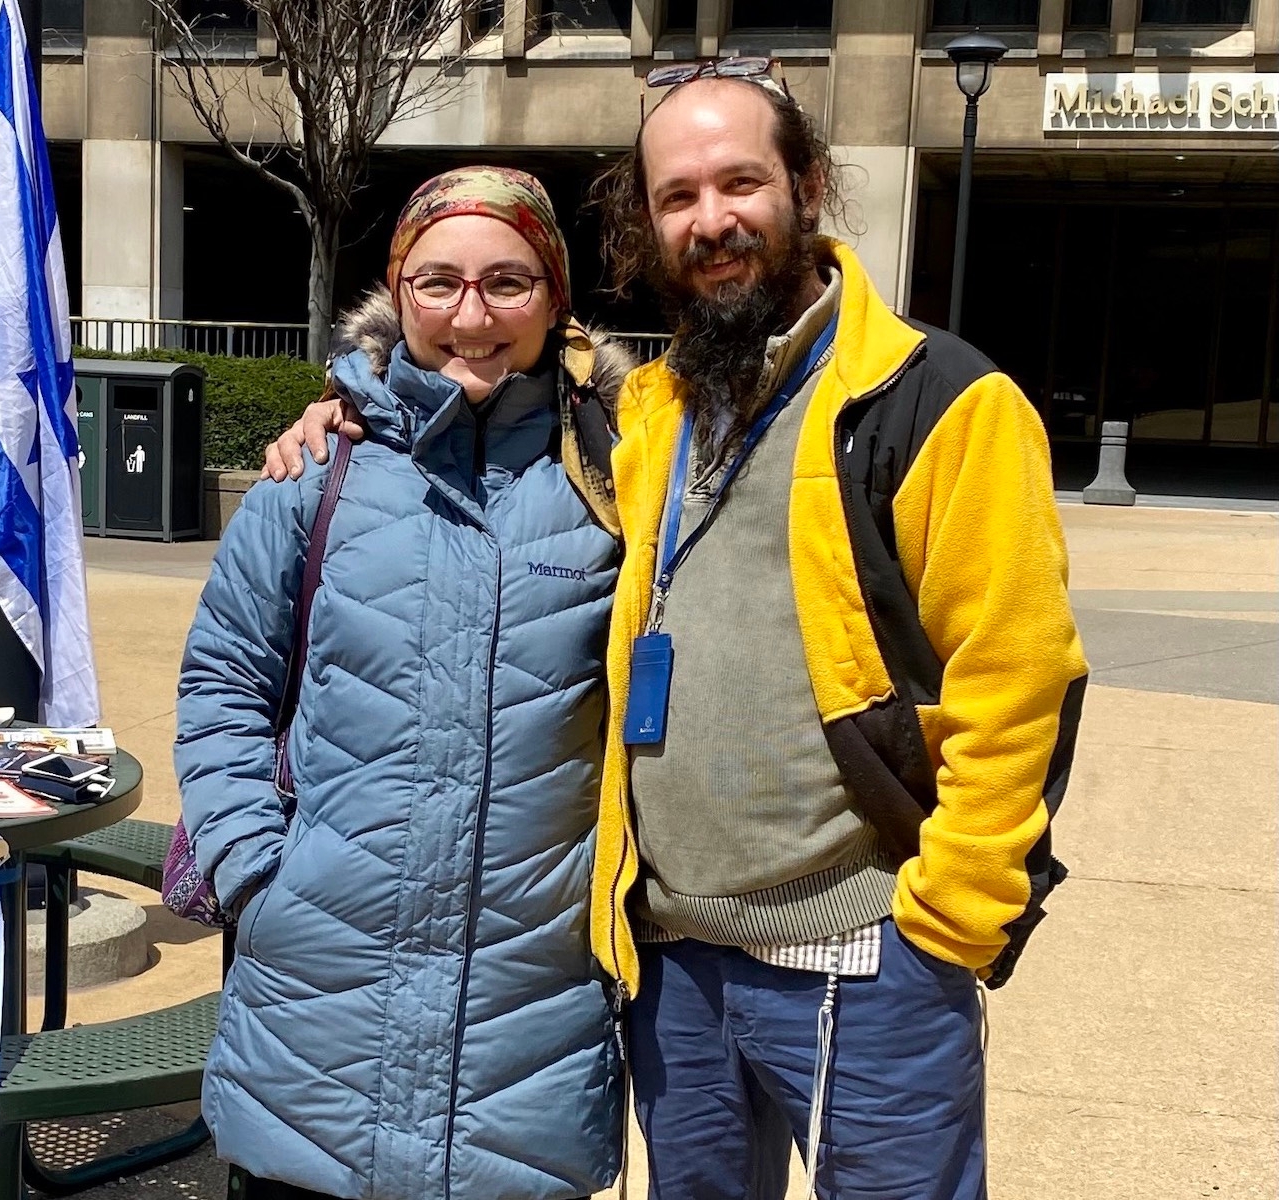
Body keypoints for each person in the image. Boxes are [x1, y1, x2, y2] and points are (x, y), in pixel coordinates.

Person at [261, 72, 1087, 1199]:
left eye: (740, 181)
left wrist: (951, 919)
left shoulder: (940, 400)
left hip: (868, 958)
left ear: (805, 184)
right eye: (677, 196)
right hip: (676, 967)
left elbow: (1021, 676)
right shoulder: (648, 415)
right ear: (645, 227)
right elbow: (457, 384)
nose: (712, 219)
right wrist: (346, 396)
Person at [174, 167, 638, 1200]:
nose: (471, 317)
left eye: (508, 283)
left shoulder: (620, 478)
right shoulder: (316, 477)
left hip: (527, 1053)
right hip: (313, 1024)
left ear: (555, 296)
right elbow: (223, 686)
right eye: (439, 283)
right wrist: (259, 874)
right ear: (399, 292)